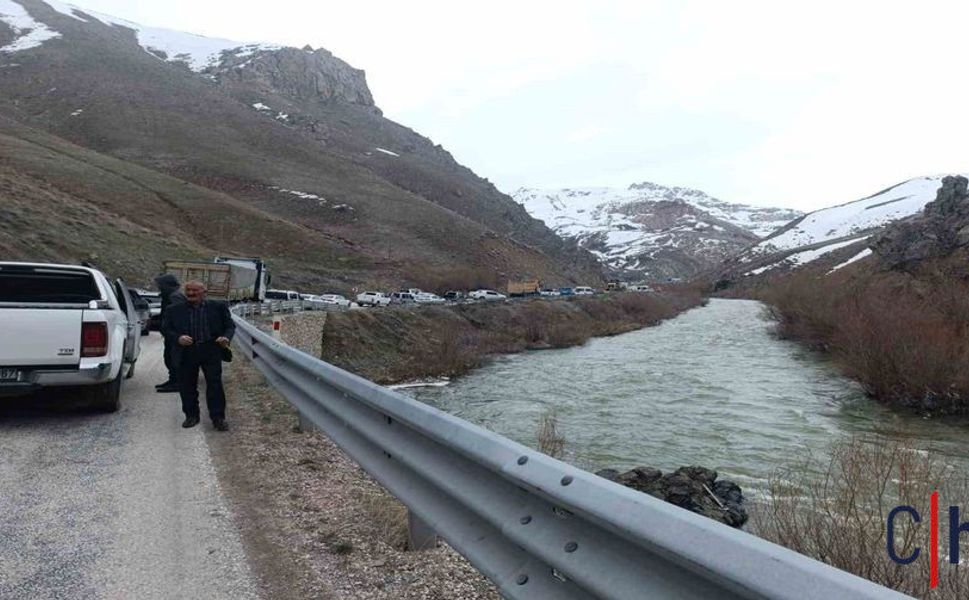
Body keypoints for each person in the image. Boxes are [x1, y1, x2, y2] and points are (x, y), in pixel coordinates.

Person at [162, 280, 235, 431]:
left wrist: (226, 338)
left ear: (204, 293)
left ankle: (218, 418)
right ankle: (191, 416)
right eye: (188, 290)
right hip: (187, 351)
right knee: (187, 385)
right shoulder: (173, 309)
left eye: (195, 291)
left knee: (214, 385)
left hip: (211, 349)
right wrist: (178, 338)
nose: (191, 293)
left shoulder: (218, 307)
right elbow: (165, 329)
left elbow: (229, 326)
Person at [154, 274, 187, 393]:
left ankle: (177, 383)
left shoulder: (175, 297)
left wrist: (174, 334)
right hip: (171, 334)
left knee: (174, 359)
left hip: (175, 335)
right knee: (169, 357)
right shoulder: (169, 296)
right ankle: (173, 380)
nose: (159, 287)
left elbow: (178, 317)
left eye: (160, 285)